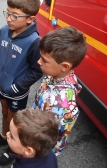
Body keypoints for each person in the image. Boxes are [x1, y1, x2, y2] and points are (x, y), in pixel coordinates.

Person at [0, 0, 43, 166]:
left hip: (17, 90)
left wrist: (19, 87)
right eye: (7, 13)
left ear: (30, 19)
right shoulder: (4, 31)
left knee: (15, 121)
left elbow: (37, 71)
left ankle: (13, 149)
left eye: (15, 16)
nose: (9, 19)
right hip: (2, 84)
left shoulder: (34, 42)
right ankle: (5, 137)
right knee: (4, 112)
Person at [32, 26, 87, 156]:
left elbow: (48, 137)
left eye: (44, 60)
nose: (38, 61)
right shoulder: (56, 75)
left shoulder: (62, 107)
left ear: (64, 67)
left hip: (40, 148)